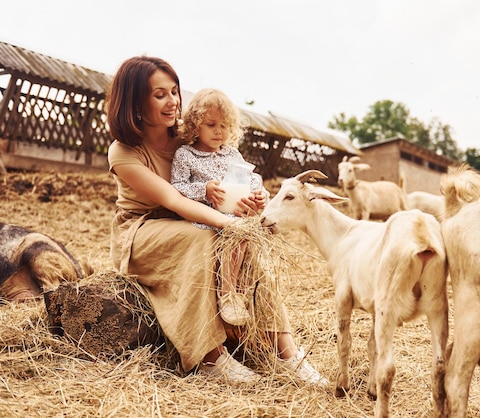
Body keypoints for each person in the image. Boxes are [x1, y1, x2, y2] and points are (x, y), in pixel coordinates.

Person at [105, 55, 327, 386]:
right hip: (144, 229)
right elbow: (173, 199)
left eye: (175, 91)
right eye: (159, 94)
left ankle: (286, 352)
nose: (172, 102)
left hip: (198, 217)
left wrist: (247, 202)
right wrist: (227, 223)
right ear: (135, 101)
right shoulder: (124, 151)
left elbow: (229, 176)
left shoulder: (191, 136)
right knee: (204, 238)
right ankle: (209, 357)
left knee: (243, 243)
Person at [170, 88, 268, 327]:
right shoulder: (186, 155)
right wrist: (204, 189)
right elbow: (177, 187)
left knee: (248, 234)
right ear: (195, 125)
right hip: (206, 216)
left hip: (234, 212)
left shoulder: (232, 154)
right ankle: (227, 294)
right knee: (235, 235)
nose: (218, 131)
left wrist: (260, 194)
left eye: (224, 126)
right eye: (211, 124)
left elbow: (251, 178)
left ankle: (243, 291)